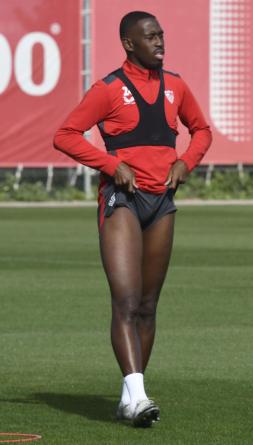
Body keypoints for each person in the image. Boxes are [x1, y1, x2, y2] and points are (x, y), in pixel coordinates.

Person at [53, 11, 212, 427]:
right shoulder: (108, 89)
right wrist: (110, 165)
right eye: (150, 37)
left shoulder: (175, 85)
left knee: (147, 305)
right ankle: (139, 396)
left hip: (162, 204)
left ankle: (129, 399)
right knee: (125, 301)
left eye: (161, 35)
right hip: (122, 201)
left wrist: (186, 163)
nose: (160, 42)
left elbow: (203, 131)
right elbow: (65, 135)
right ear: (129, 43)